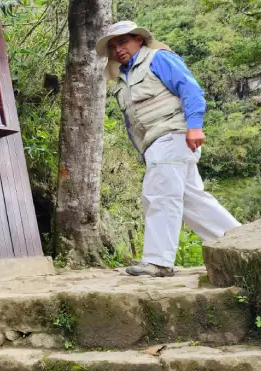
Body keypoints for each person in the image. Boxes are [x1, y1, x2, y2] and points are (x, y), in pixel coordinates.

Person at [96, 21, 241, 277]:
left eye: (123, 41)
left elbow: (190, 89)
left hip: (172, 135)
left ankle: (158, 261)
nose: (118, 49)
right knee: (191, 201)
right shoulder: (124, 78)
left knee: (160, 195)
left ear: (138, 40)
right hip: (158, 144)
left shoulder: (158, 58)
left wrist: (195, 126)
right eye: (113, 45)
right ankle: (243, 244)